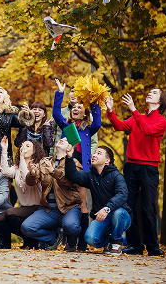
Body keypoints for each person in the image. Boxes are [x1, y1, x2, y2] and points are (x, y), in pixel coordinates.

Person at [105, 89, 166, 256]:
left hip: (149, 168)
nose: (150, 93)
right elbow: (119, 125)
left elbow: (148, 130)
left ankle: (153, 246)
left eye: (154, 93)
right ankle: (135, 245)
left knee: (148, 208)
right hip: (131, 166)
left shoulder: (162, 121)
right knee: (129, 207)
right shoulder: (136, 118)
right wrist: (110, 111)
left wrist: (134, 110)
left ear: (160, 101)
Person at [52, 79, 101, 250]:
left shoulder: (88, 129)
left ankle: (81, 242)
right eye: (74, 107)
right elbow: (56, 114)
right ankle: (70, 240)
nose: (75, 109)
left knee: (81, 202)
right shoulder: (67, 126)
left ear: (85, 114)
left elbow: (98, 123)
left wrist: (94, 101)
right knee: (69, 202)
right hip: (67, 167)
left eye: (80, 107)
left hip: (84, 170)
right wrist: (60, 94)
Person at [64, 145, 132, 255]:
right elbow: (73, 176)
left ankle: (116, 243)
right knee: (90, 238)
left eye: (99, 153)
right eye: (94, 153)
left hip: (121, 217)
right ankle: (107, 244)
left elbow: (122, 194)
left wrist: (107, 208)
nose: (94, 155)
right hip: (102, 219)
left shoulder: (116, 175)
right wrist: (69, 157)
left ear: (107, 161)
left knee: (118, 213)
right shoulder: (90, 175)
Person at [22, 138, 83, 250]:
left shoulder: (75, 163)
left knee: (72, 227)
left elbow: (71, 183)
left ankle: (72, 241)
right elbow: (30, 183)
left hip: (68, 208)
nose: (62, 139)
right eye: (61, 138)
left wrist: (53, 172)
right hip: (49, 210)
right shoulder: (44, 161)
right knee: (27, 227)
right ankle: (52, 238)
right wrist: (32, 173)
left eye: (66, 140)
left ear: (71, 147)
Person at [0, 137, 44, 249]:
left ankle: (31, 239)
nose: (24, 147)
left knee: (9, 213)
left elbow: (27, 178)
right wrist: (4, 149)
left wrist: (22, 159)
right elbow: (4, 170)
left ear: (35, 151)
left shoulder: (38, 167)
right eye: (23, 145)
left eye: (28, 146)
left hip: (37, 207)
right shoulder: (17, 168)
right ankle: (29, 239)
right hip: (24, 207)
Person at [50, 86, 98, 155]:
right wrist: (51, 155)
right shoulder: (64, 119)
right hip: (61, 156)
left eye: (77, 92)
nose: (74, 94)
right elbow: (52, 135)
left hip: (80, 159)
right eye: (72, 91)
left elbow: (93, 142)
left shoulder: (88, 120)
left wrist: (88, 160)